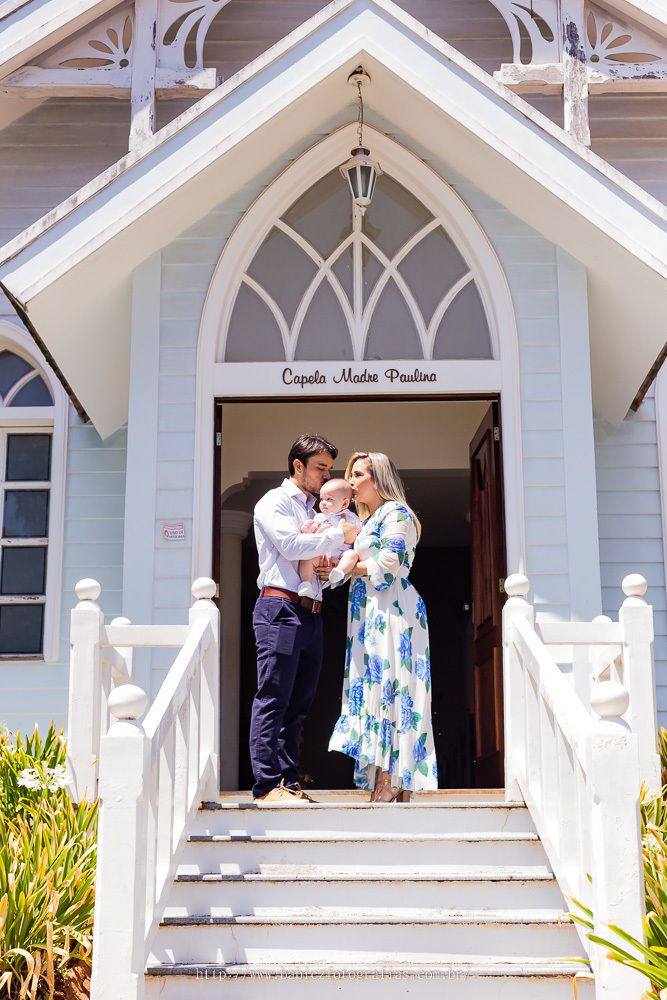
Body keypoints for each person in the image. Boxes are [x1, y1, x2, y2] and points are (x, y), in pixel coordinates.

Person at [250, 434, 359, 803]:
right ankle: (266, 786)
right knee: (273, 696)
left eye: (330, 468)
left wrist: (329, 563)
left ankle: (288, 781)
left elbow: (315, 557)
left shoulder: (316, 511)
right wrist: (335, 534)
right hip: (279, 608)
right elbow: (292, 547)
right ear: (298, 466)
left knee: (299, 704)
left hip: (311, 613)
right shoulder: (275, 502)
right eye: (321, 467)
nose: (327, 475)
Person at [328, 452, 437, 802]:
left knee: (392, 688)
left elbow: (389, 562)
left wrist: (348, 569)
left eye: (358, 474)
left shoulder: (396, 513)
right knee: (372, 686)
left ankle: (393, 779)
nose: (352, 482)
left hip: (392, 609)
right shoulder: (369, 519)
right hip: (367, 611)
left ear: (378, 478)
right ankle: (383, 779)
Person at [297, 479, 361, 599]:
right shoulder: (320, 517)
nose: (323, 503)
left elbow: (359, 534)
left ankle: (340, 572)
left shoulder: (351, 517)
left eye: (329, 499)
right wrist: (307, 528)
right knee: (307, 557)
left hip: (340, 555)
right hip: (321, 555)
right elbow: (310, 533)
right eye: (322, 499)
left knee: (352, 555)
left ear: (345, 504)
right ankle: (306, 582)